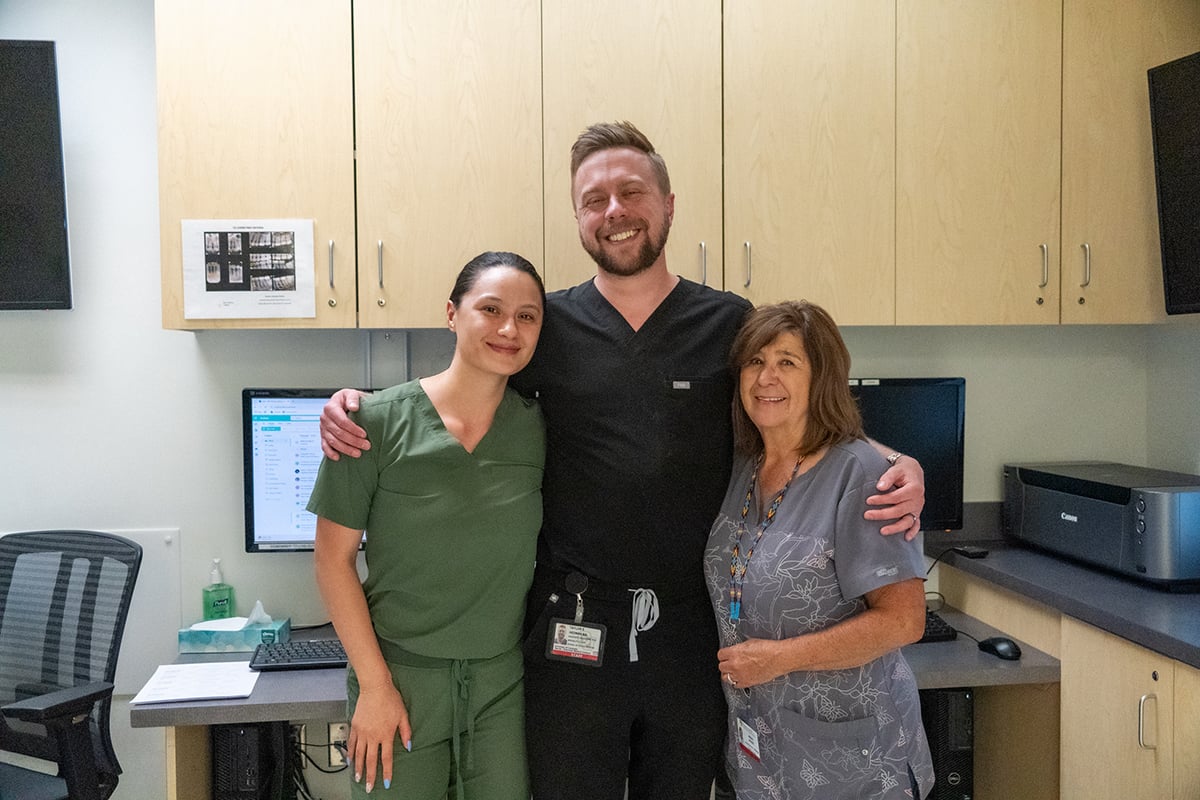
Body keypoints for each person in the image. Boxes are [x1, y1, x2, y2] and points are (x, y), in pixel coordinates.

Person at [319, 122, 926, 800]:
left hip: (694, 636)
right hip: (570, 632)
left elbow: (795, 406)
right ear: (578, 218)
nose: (614, 212)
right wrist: (357, 405)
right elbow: (462, 389)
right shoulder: (545, 328)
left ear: (667, 204)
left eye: (631, 192)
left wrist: (896, 459)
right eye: (594, 198)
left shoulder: (728, 324)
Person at [308, 251, 547, 800]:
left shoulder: (538, 430)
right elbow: (332, 560)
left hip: (499, 688)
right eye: (491, 308)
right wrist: (374, 686)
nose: (509, 328)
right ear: (452, 313)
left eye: (528, 316)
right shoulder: (370, 423)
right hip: (397, 682)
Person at [705, 300, 934, 799]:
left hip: (854, 758)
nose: (767, 377)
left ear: (822, 377)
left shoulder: (864, 478)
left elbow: (903, 620)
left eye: (787, 362)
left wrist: (780, 658)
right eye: (755, 361)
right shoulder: (745, 464)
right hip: (760, 751)